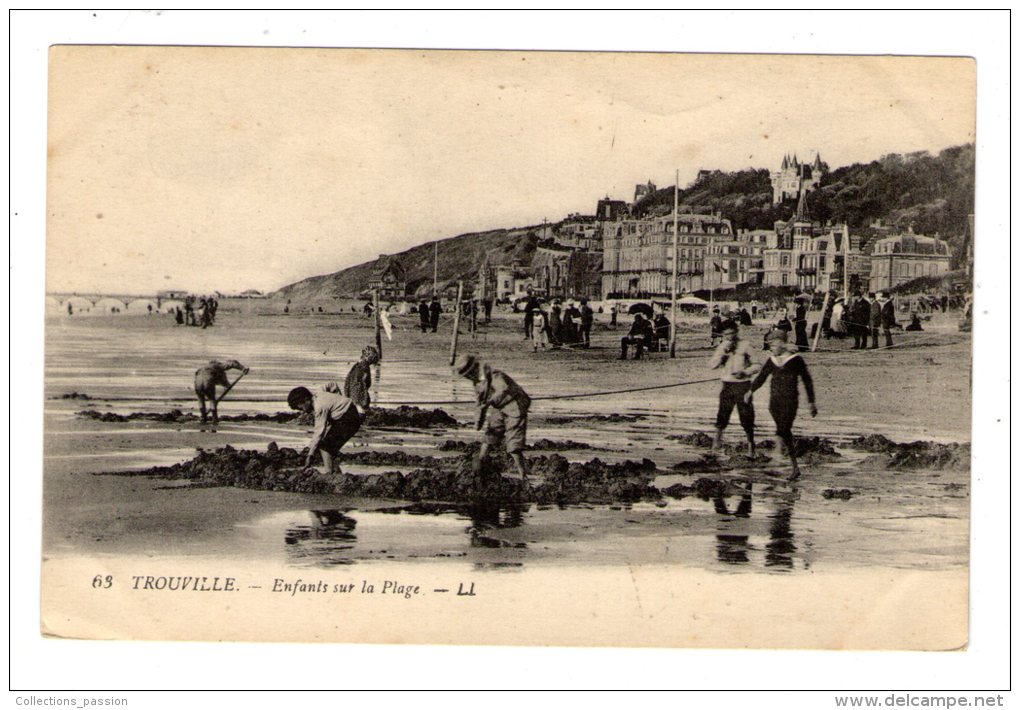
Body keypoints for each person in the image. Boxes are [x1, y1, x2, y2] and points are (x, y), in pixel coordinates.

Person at [745, 330, 817, 481]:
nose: (771, 348)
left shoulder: (796, 359)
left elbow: (807, 380)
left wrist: (811, 402)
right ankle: (794, 467)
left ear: (783, 343)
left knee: (783, 430)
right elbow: (762, 377)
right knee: (784, 432)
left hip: (790, 401)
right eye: (770, 345)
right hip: (774, 402)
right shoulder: (772, 360)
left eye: (774, 344)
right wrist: (751, 391)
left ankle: (778, 459)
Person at [454, 354, 531, 481]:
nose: (467, 377)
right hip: (499, 407)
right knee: (489, 435)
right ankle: (480, 466)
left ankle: (523, 476)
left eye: (468, 374)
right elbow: (479, 404)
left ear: (473, 369)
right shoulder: (477, 383)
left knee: (513, 445)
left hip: (515, 405)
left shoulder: (494, 375)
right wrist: (478, 422)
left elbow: (503, 389)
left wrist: (489, 402)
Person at [709, 319, 760, 458]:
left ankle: (751, 446)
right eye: (726, 335)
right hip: (727, 385)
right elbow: (712, 365)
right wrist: (723, 356)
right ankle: (716, 445)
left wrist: (745, 372)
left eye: (731, 333)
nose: (729, 337)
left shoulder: (746, 345)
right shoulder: (722, 346)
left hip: (743, 385)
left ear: (736, 331)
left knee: (746, 417)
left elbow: (757, 365)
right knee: (722, 415)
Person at [288, 383, 362, 475]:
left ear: (307, 400)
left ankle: (329, 474)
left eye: (301, 408)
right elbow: (332, 385)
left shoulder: (319, 407)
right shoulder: (319, 391)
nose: (303, 411)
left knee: (325, 447)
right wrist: (338, 398)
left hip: (349, 419)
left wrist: (310, 455)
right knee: (329, 448)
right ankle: (336, 473)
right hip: (349, 413)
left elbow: (319, 432)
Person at [194, 359, 248, 425]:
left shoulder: (204, 367)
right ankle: (215, 419)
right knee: (212, 400)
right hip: (207, 382)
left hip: (197, 382)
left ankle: (203, 417)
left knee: (200, 399)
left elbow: (197, 374)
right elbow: (232, 364)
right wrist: (243, 368)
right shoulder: (218, 367)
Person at [344, 346, 380, 413]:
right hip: (358, 395)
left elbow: (348, 381)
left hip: (352, 394)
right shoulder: (364, 366)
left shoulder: (357, 366)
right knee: (361, 411)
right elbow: (365, 382)